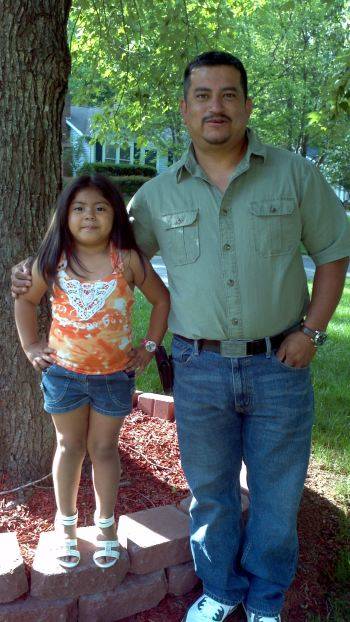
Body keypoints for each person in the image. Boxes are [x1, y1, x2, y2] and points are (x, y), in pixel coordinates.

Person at [12, 51, 350, 620]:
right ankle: (220, 590)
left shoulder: (297, 175)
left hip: (280, 364)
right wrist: (34, 268)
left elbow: (334, 256)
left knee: (277, 494)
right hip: (199, 369)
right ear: (185, 107)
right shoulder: (156, 197)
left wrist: (312, 333)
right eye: (202, 95)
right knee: (211, 492)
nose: (215, 106)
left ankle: (266, 601)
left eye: (227, 94)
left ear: (245, 104)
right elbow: (104, 254)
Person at [13, 173, 170, 569]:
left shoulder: (127, 260)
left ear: (115, 215)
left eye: (101, 208)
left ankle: (105, 526)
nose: (89, 216)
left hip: (114, 378)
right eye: (79, 208)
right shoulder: (52, 261)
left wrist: (149, 346)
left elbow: (162, 300)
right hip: (64, 375)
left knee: (102, 449)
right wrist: (31, 345)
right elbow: (27, 302)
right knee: (69, 447)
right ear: (65, 216)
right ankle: (64, 525)